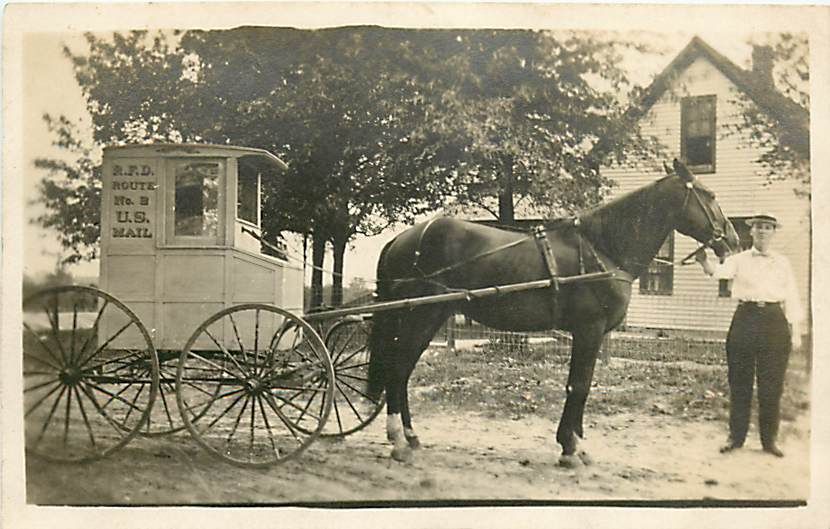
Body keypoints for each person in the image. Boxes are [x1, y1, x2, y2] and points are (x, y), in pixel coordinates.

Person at [695, 213, 803, 457]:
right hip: (745, 320)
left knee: (771, 385)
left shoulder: (783, 262)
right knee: (740, 382)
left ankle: (769, 441)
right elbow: (719, 272)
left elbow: (793, 298)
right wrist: (703, 262)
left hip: (774, 323)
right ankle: (736, 438)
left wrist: (795, 333)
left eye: (768, 228)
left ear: (774, 232)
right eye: (758, 228)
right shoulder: (739, 259)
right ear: (751, 232)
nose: (763, 232)